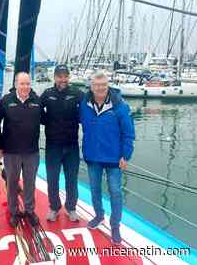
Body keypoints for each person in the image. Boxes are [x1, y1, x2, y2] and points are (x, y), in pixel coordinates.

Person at [79, 71, 135, 244]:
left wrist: (126, 155)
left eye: (103, 85)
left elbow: (129, 133)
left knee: (115, 192)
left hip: (114, 158)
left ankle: (115, 225)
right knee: (95, 189)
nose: (100, 88)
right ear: (91, 87)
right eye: (97, 85)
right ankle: (99, 216)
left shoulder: (120, 106)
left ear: (108, 85)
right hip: (93, 157)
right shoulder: (84, 104)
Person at [40, 64, 84, 222]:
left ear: (69, 77)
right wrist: (48, 122)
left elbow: (88, 109)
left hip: (72, 146)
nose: (63, 79)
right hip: (53, 146)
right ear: (55, 77)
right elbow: (37, 111)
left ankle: (71, 208)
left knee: (72, 179)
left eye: (65, 76)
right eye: (59, 76)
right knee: (52, 179)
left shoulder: (77, 93)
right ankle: (54, 207)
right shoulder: (47, 94)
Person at [0, 72, 41, 227]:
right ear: (16, 84)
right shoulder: (6, 101)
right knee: (12, 183)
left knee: (30, 183)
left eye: (28, 84)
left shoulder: (37, 101)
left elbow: (47, 120)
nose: (25, 87)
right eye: (22, 84)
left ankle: (29, 211)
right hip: (11, 151)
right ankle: (14, 211)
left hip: (32, 151)